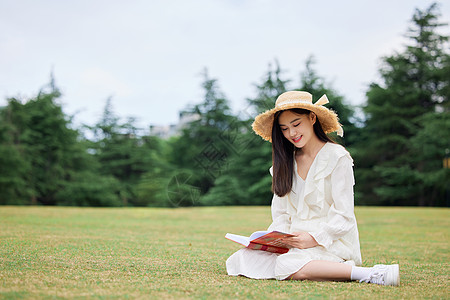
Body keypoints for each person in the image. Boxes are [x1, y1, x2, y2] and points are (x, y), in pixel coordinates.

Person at [226, 91, 400, 286]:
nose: (291, 133)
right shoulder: (284, 164)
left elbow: (344, 215)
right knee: (241, 259)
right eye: (284, 128)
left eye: (296, 124)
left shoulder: (337, 157)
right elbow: (281, 214)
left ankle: (366, 273)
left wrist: (313, 238)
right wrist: (276, 241)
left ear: (312, 118)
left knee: (286, 265)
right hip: (294, 243)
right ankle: (320, 268)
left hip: (330, 241)